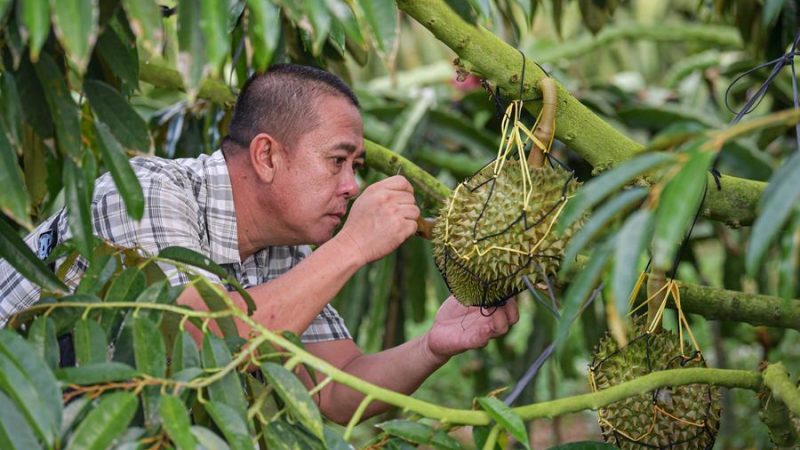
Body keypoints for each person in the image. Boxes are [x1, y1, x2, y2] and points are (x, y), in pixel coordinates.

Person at [0, 64, 518, 423]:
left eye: (355, 168)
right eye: (337, 161)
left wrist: (434, 344)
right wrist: (353, 246)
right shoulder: (147, 192)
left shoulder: (283, 248)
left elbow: (336, 389)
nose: (351, 186)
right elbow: (195, 341)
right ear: (267, 157)